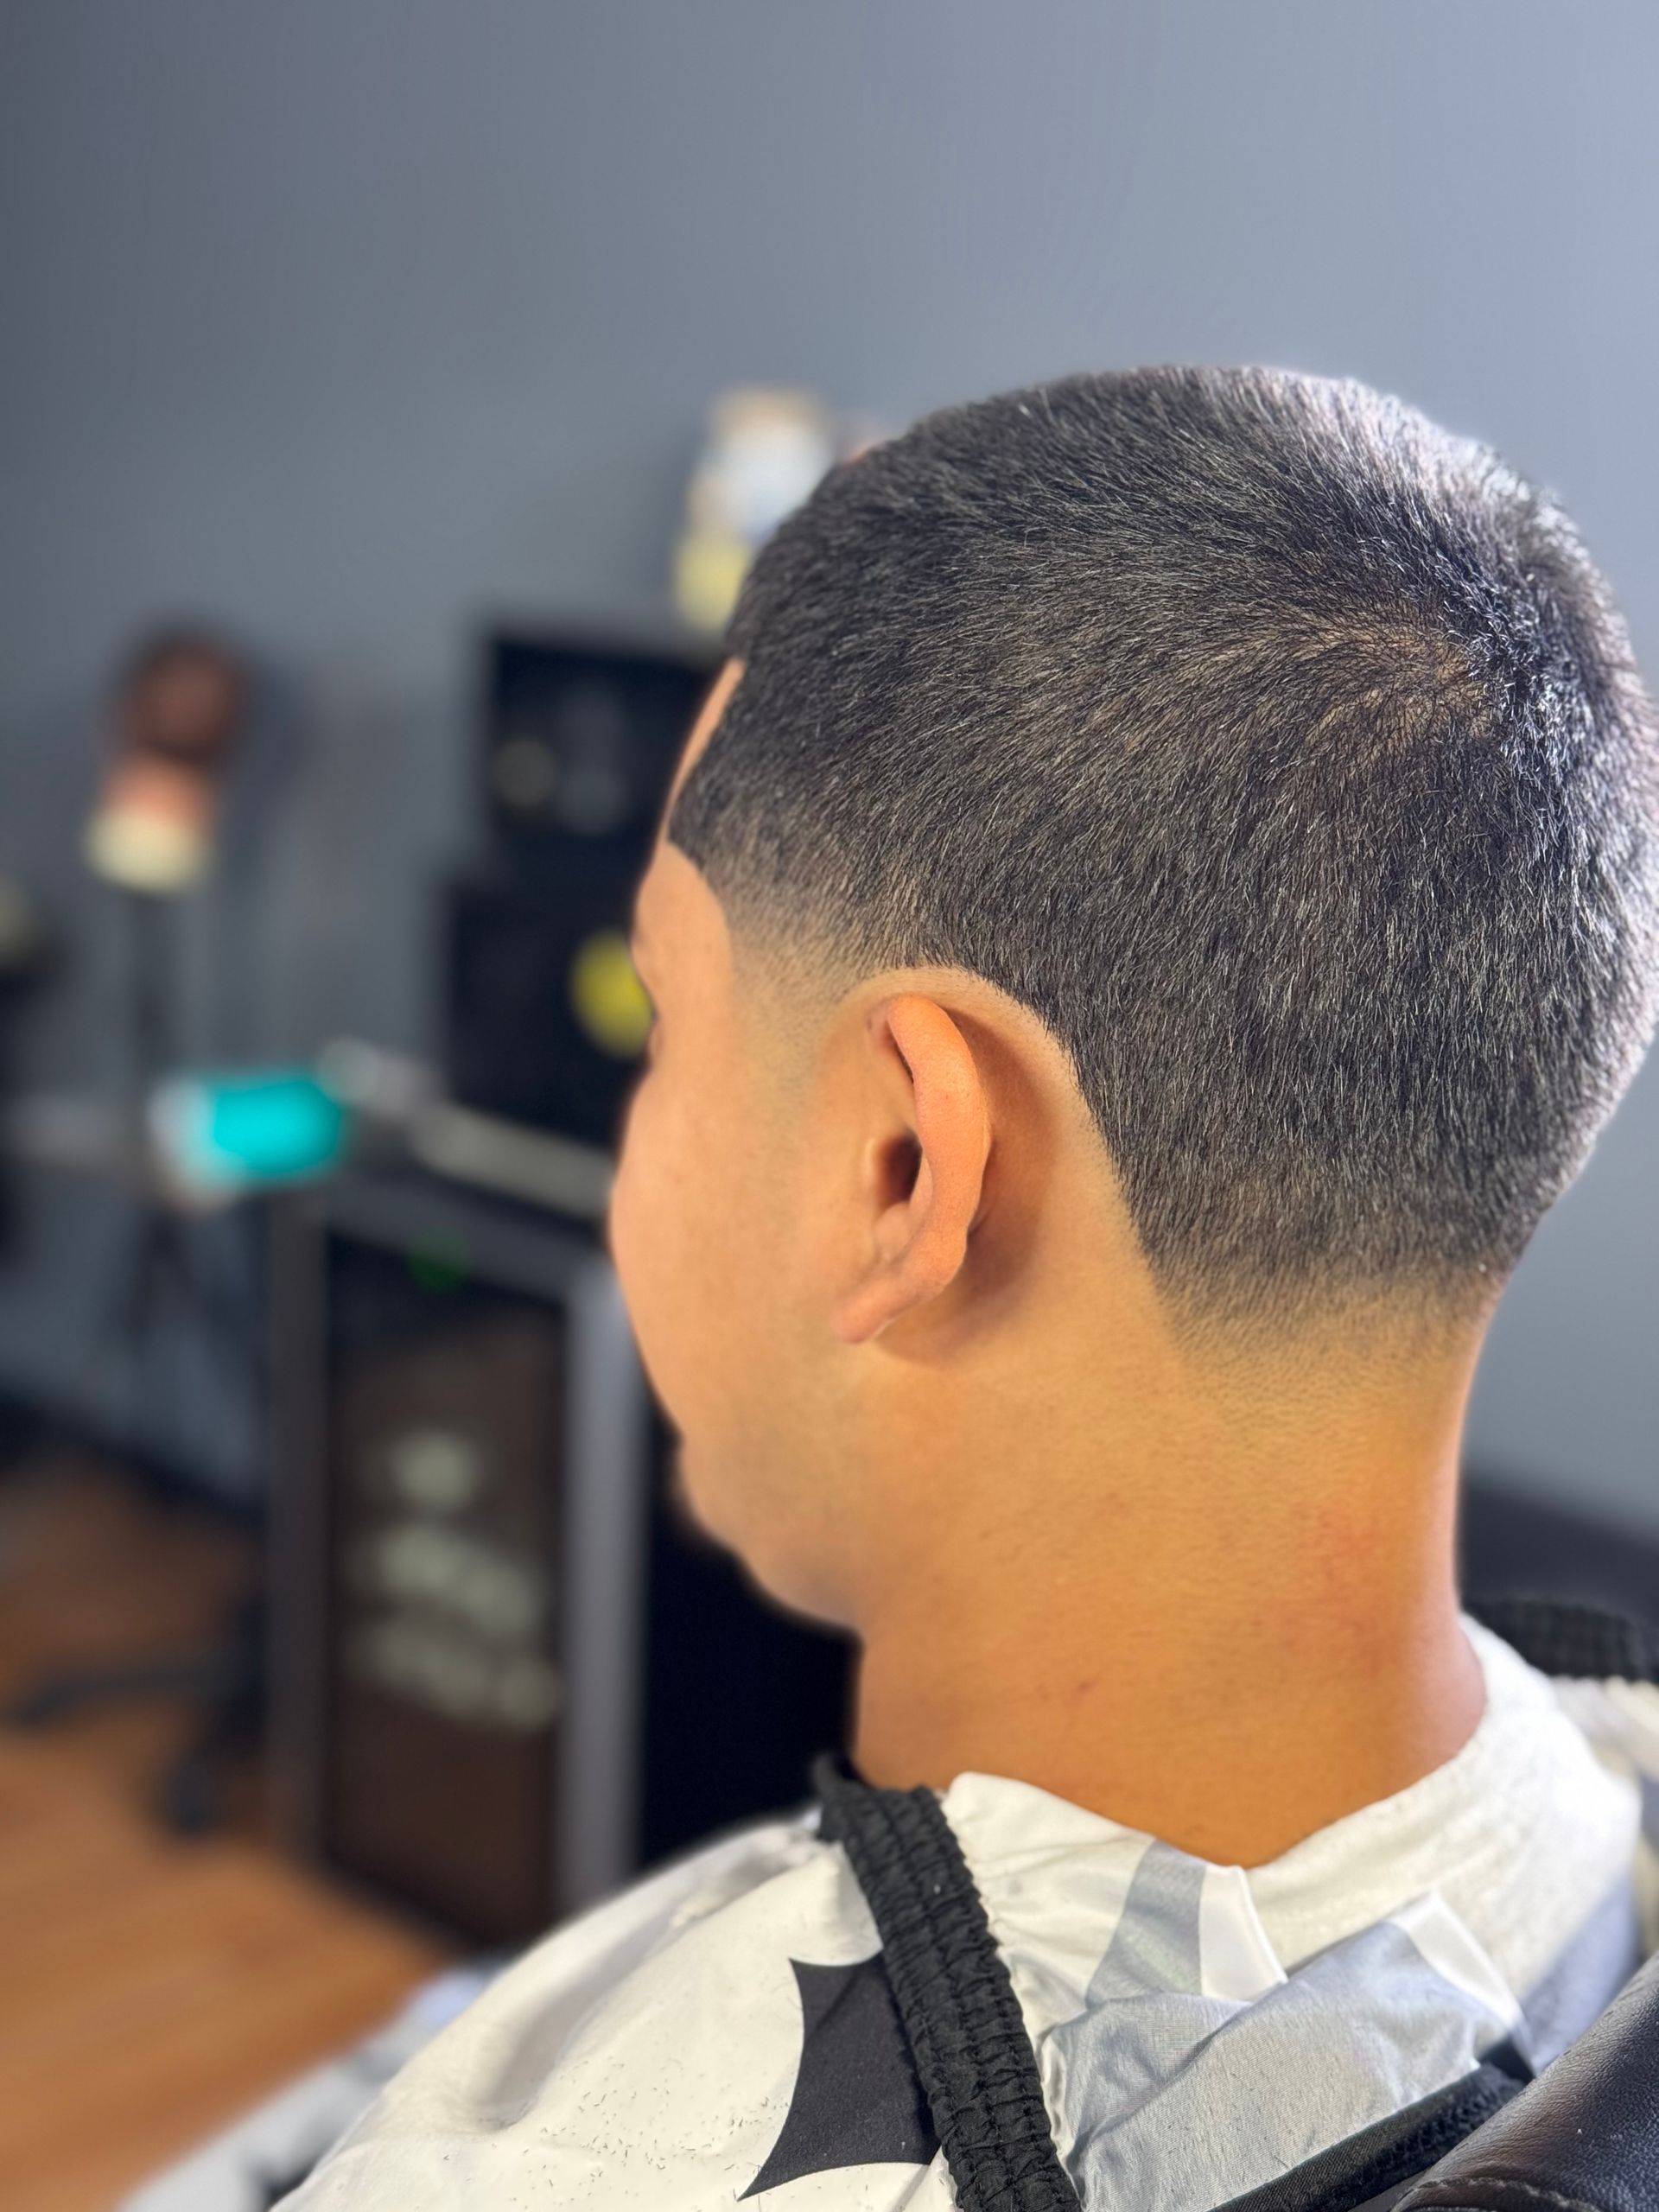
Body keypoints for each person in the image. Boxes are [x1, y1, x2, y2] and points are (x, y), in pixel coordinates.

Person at [284, 368, 1659, 2209]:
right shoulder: (1619, 1798)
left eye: (666, 1019)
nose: (635, 1122)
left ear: (905, 1167)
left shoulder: (569, 2166)